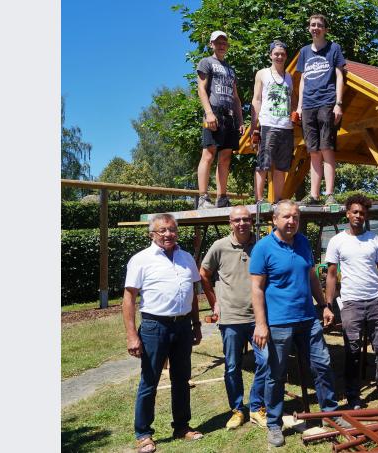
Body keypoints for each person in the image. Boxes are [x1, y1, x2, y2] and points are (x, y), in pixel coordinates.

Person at [249, 200, 351, 447]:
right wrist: (261, 324)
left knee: (323, 365)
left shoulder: (303, 242)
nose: (291, 221)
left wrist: (324, 306)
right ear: (274, 220)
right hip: (278, 323)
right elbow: (257, 288)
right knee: (276, 374)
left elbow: (311, 276)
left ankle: (330, 414)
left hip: (308, 319)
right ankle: (274, 423)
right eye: (286, 217)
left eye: (295, 217)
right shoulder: (263, 248)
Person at [122, 214, 203, 453]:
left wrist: (196, 325)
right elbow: (128, 299)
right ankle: (144, 434)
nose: (168, 234)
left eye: (172, 230)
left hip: (183, 326)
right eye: (162, 230)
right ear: (152, 234)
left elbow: (193, 294)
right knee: (150, 380)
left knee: (181, 378)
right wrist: (131, 335)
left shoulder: (186, 257)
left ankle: (182, 427)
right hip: (154, 327)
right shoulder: (141, 260)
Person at [325, 194, 378, 409]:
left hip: (375, 302)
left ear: (366, 216)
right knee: (353, 351)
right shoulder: (337, 241)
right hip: (350, 304)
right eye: (355, 212)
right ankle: (353, 395)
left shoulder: (375, 240)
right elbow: (330, 275)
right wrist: (328, 306)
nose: (358, 216)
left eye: (362, 213)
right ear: (348, 214)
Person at [199, 206, 268, 430]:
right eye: (237, 220)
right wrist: (215, 303)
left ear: (251, 222)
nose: (242, 223)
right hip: (230, 319)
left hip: (257, 318)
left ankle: (256, 407)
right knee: (232, 366)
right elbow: (204, 274)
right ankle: (238, 409)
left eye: (246, 219)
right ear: (230, 223)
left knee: (265, 361)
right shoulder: (219, 247)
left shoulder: (262, 245)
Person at [295, 14, 346, 206]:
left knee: (327, 148)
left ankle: (330, 194)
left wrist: (338, 103)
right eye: (312, 25)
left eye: (319, 25)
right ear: (309, 28)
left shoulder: (334, 48)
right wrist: (299, 106)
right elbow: (302, 81)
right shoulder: (304, 52)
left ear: (325, 29)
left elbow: (340, 76)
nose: (315, 28)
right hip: (308, 105)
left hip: (327, 102)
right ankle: (314, 196)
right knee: (313, 150)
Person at [196, 30, 245, 209]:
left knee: (225, 156)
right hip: (213, 111)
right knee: (209, 153)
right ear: (211, 44)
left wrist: (240, 120)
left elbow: (236, 97)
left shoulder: (231, 69)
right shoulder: (206, 62)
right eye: (218, 42)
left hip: (229, 115)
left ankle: (222, 197)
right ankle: (202, 197)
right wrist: (209, 113)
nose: (221, 45)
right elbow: (201, 89)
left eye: (224, 42)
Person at [251, 40, 294, 204]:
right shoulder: (262, 73)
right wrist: (254, 127)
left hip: (286, 126)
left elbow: (293, 100)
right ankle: (259, 199)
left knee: (282, 166)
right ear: (270, 55)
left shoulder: (289, 77)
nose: (279, 56)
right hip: (267, 123)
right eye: (276, 53)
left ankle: (278, 200)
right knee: (264, 163)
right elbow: (256, 100)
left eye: (282, 54)